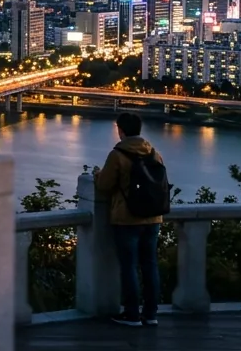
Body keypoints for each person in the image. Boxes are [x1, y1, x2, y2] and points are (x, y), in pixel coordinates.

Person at [95, 112, 166, 327]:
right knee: (150, 265)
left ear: (121, 130)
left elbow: (105, 185)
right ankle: (151, 314)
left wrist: (98, 174)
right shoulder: (154, 153)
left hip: (127, 218)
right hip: (153, 217)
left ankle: (132, 313)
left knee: (129, 267)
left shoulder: (118, 155)